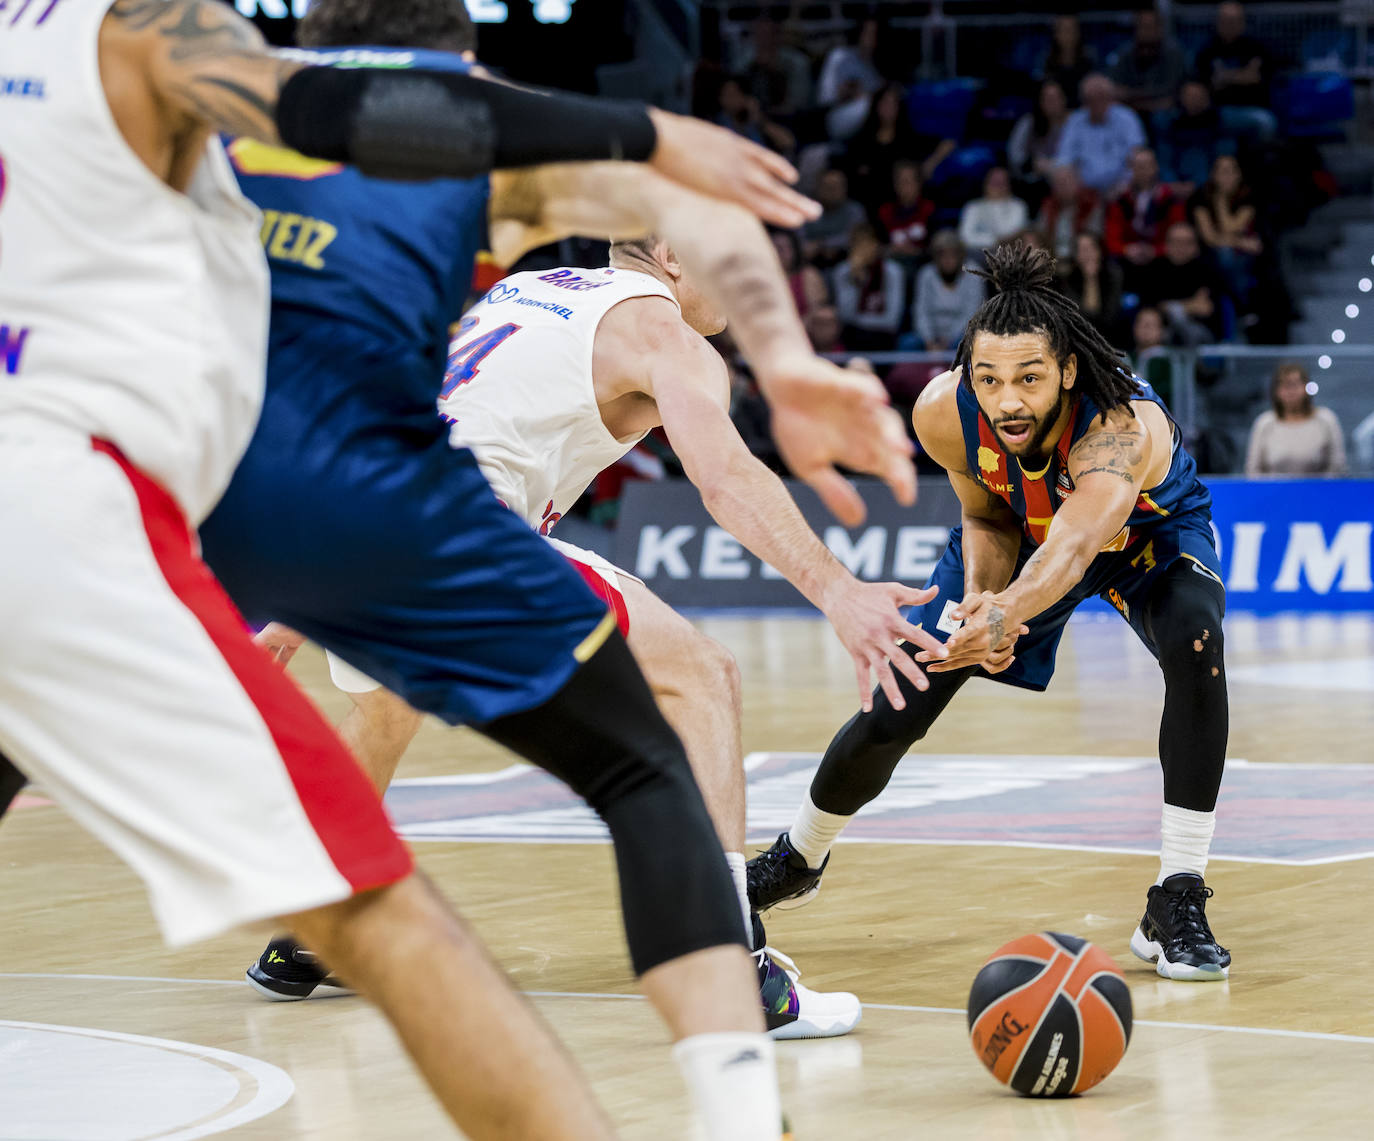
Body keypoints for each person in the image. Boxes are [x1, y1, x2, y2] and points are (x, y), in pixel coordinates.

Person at [0, 4, 908, 1140]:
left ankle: (300, 934)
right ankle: (745, 981)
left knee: (382, 691)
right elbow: (724, 477)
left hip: (223, 482)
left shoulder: (495, 273)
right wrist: (833, 565)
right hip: (377, 500)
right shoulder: (652, 317)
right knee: (695, 682)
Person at [284, 236, 942, 1037]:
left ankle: (314, 921)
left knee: (388, 707)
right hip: (459, 533)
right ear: (671, 249)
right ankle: (731, 963)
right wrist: (838, 590)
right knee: (703, 675)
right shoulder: (665, 335)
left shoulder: (522, 291)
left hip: (361, 517)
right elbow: (725, 477)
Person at [749, 244, 1233, 984]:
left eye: (1030, 378)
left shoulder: (1118, 429)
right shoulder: (944, 411)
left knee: (1197, 639)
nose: (1008, 400)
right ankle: (798, 856)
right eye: (991, 378)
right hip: (1024, 534)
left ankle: (1177, 895)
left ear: (1067, 370)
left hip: (1142, 535)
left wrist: (1009, 613)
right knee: (904, 691)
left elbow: (1075, 546)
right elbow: (986, 515)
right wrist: (982, 602)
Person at [1244, 363, 1347, 475]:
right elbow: (1253, 471)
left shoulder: (1326, 419)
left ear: (1306, 387)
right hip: (1272, 491)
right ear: (1276, 391)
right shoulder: (1264, 422)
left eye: (1295, 384)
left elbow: (1338, 467)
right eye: (1284, 385)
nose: (1290, 391)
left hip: (1319, 490)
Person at [1104, 148, 1188, 286]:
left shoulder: (1170, 199)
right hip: (1127, 257)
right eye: (1138, 166)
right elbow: (1111, 238)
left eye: (1146, 165)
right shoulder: (1120, 199)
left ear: (1155, 167)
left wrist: (1155, 251)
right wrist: (1126, 250)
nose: (1142, 170)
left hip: (1162, 257)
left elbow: (1179, 237)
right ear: (1131, 169)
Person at [1054, 74, 1147, 196]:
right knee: (1061, 175)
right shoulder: (1074, 121)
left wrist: (1125, 184)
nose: (1096, 103)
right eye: (1090, 99)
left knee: (1143, 165)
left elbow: (1137, 154)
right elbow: (1064, 159)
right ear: (1084, 101)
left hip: (1123, 188)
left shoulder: (1127, 118)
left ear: (1111, 98)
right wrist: (1073, 182)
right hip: (1082, 192)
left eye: (1102, 98)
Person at [1190, 154, 1262, 309]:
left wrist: (1231, 239)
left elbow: (1233, 227)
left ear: (1239, 175)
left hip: (1243, 257)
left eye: (1231, 171)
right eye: (1222, 172)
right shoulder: (1201, 196)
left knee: (1238, 260)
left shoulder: (1248, 196)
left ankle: (1238, 303)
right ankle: (1242, 305)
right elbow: (1209, 238)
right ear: (1213, 175)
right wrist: (1220, 199)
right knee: (1225, 254)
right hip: (1208, 254)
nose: (1227, 177)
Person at [1139, 222, 1227, 345]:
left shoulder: (1207, 271)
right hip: (1162, 332)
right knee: (1150, 329)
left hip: (1199, 334)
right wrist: (1189, 306)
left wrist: (1169, 307)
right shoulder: (1154, 269)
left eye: (1187, 242)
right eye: (1175, 241)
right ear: (1166, 244)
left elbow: (1206, 309)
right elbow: (1150, 307)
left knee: (1188, 331)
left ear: (1196, 246)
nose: (1180, 247)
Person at [830, 223, 906, 349]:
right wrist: (856, 280)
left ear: (877, 245)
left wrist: (860, 322)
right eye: (859, 244)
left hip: (883, 336)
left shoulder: (893, 271)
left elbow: (892, 320)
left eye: (868, 243)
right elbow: (845, 316)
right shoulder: (843, 271)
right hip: (852, 336)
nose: (864, 249)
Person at [912, 231, 986, 354]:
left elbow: (972, 314)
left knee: (967, 343)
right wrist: (929, 340)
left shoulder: (974, 273)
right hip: (931, 336)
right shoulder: (926, 274)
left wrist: (948, 341)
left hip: (962, 334)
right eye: (943, 255)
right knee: (908, 344)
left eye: (953, 255)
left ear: (961, 256)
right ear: (935, 257)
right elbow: (921, 311)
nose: (948, 260)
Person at [1195, 2, 1275, 111]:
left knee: (1265, 122)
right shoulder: (1207, 50)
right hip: (1217, 110)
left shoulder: (1257, 48)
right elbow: (1206, 84)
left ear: (1243, 22)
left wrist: (1223, 76)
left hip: (1253, 107)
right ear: (1217, 22)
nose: (1229, 25)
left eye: (1233, 21)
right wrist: (1244, 75)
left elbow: (1257, 77)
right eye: (1224, 21)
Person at [1108, 8, 1188, 116]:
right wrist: (1145, 98)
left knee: (1162, 117)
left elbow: (1170, 90)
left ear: (1160, 29)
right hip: (1132, 110)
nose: (1146, 32)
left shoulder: (1173, 53)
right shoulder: (1125, 53)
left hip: (1164, 110)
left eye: (1150, 27)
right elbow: (1116, 89)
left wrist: (1131, 94)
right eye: (1142, 26)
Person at [1157, 81, 1230, 187]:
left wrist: (1197, 184)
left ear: (1206, 98)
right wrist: (1172, 183)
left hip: (1207, 184)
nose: (1193, 100)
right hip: (1174, 186)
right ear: (1180, 98)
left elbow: (1220, 159)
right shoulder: (1169, 122)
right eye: (1189, 96)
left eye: (1197, 96)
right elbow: (1164, 159)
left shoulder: (1219, 123)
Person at [1007, 79, 1071, 199]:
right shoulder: (1028, 122)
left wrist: (1051, 166)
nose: (1050, 103)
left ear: (1064, 99)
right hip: (1032, 183)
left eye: (1054, 98)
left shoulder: (1075, 124)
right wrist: (1032, 163)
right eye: (1046, 98)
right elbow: (1015, 156)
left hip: (1066, 182)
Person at [1059, 231, 1124, 342]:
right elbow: (1079, 318)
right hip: (1078, 338)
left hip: (1111, 337)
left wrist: (1092, 280)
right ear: (1075, 256)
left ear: (1100, 251)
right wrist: (1089, 280)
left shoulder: (1113, 275)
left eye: (1092, 248)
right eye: (1082, 250)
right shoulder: (1067, 279)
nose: (1088, 254)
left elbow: (1110, 318)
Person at [802, 167, 869, 265]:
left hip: (848, 262)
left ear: (845, 188)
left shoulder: (855, 210)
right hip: (811, 264)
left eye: (836, 187)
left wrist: (822, 244)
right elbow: (797, 240)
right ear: (817, 187)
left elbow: (856, 238)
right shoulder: (807, 209)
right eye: (827, 187)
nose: (832, 192)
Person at [1036, 164, 1103, 260]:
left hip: (1080, 258)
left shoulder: (1091, 203)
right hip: (1052, 258)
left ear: (1078, 182)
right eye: (1059, 183)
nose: (1063, 187)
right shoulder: (1048, 206)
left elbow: (1094, 234)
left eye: (1067, 181)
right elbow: (1040, 233)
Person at [958, 167, 1030, 255]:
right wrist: (995, 241)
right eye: (994, 181)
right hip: (976, 256)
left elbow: (1016, 233)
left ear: (1009, 185)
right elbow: (965, 237)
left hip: (1011, 255)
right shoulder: (972, 207)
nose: (997, 186)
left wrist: (987, 239)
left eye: (1001, 182)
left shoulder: (1018, 205)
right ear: (985, 183)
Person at [878, 159, 937, 260]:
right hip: (892, 261)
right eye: (901, 181)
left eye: (909, 181)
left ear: (919, 184)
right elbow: (878, 245)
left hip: (923, 262)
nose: (905, 186)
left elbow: (935, 245)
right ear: (895, 185)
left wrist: (918, 251)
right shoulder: (884, 211)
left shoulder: (930, 208)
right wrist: (892, 249)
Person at [817, 17, 884, 107]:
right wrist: (846, 92)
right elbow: (825, 96)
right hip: (835, 109)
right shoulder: (839, 56)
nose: (871, 38)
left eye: (874, 33)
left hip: (866, 113)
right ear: (860, 32)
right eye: (868, 33)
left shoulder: (876, 66)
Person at [772, 228, 831, 320]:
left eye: (783, 248)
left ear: (795, 250)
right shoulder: (762, 278)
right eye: (775, 248)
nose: (778, 253)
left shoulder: (808, 275)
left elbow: (817, 313)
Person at [1039, 14, 1096, 106]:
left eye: (1072, 30)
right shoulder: (1046, 61)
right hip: (1055, 112)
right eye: (1065, 30)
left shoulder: (1089, 59)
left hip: (1083, 112)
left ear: (1078, 33)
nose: (1069, 35)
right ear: (1056, 34)